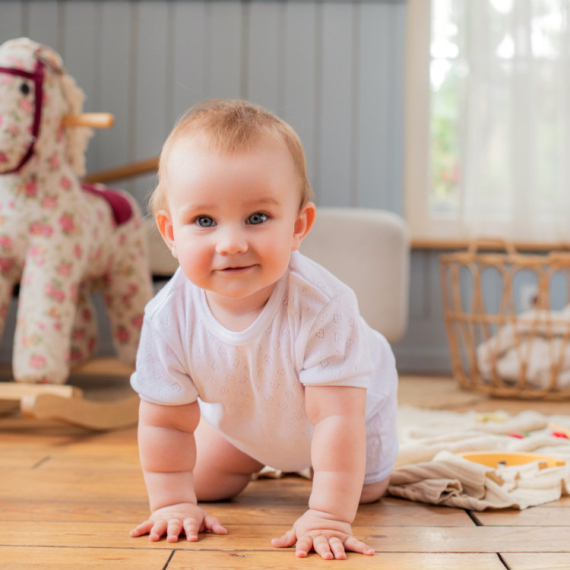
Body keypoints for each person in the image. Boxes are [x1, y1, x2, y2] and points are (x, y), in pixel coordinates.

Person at [129, 99, 399, 560]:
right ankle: (261, 453)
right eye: (204, 221)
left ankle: (321, 476)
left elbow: (336, 417)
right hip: (251, 415)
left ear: (298, 226)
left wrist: (329, 516)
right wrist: (173, 504)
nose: (231, 243)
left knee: (364, 491)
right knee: (201, 485)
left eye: (257, 218)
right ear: (171, 234)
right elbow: (165, 423)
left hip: (350, 409)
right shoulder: (167, 316)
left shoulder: (323, 307)